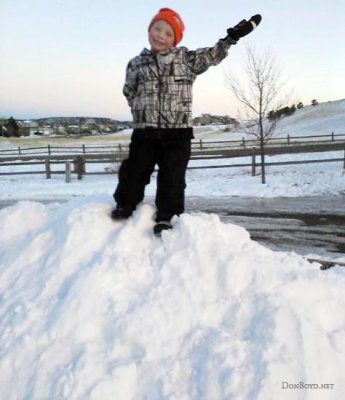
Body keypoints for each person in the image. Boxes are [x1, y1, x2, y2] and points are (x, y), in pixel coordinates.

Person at [112, 8, 262, 235]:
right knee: (134, 170)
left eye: (168, 33)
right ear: (149, 30)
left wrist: (231, 38)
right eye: (157, 28)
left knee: (172, 177)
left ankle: (167, 217)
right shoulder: (136, 64)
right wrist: (142, 113)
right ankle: (125, 204)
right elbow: (128, 91)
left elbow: (212, 55)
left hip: (177, 134)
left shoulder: (186, 60)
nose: (161, 35)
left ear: (176, 39)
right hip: (145, 132)